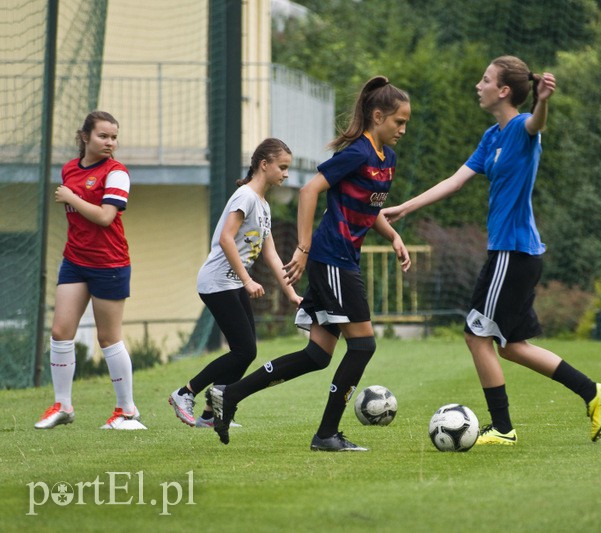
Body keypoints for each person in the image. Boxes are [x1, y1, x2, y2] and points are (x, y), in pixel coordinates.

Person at [382, 56, 601, 445]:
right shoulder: (491, 136)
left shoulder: (523, 130)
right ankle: (593, 393)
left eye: (486, 79)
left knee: (477, 336)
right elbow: (455, 182)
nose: (479, 84)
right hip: (513, 255)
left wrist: (542, 101)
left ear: (504, 90)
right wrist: (406, 207)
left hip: (513, 253)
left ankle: (503, 429)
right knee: (510, 347)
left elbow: (537, 122)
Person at [208, 76, 412, 451]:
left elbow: (370, 207)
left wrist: (393, 236)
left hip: (342, 261)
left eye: (405, 123)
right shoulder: (357, 152)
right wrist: (302, 248)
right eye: (398, 121)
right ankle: (326, 434)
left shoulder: (388, 159)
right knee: (364, 346)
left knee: (317, 355)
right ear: (378, 116)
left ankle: (231, 394)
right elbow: (309, 190)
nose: (402, 129)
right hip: (332, 259)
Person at [168, 138, 302, 427]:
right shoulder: (246, 197)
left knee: (245, 352)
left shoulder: (263, 206)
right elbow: (226, 238)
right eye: (282, 167)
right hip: (217, 281)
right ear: (263, 164)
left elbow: (272, 255)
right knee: (244, 350)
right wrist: (247, 279)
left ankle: (210, 414)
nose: (286, 174)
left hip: (232, 283)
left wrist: (292, 295)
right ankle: (184, 393)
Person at [34, 110, 146, 430]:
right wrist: (72, 192)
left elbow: (105, 217)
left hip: (109, 264)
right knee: (60, 332)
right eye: (103, 136)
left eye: (113, 137)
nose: (110, 142)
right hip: (74, 261)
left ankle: (126, 411)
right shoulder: (69, 168)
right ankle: (63, 406)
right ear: (85, 137)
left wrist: (71, 196)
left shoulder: (117, 172)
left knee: (108, 338)